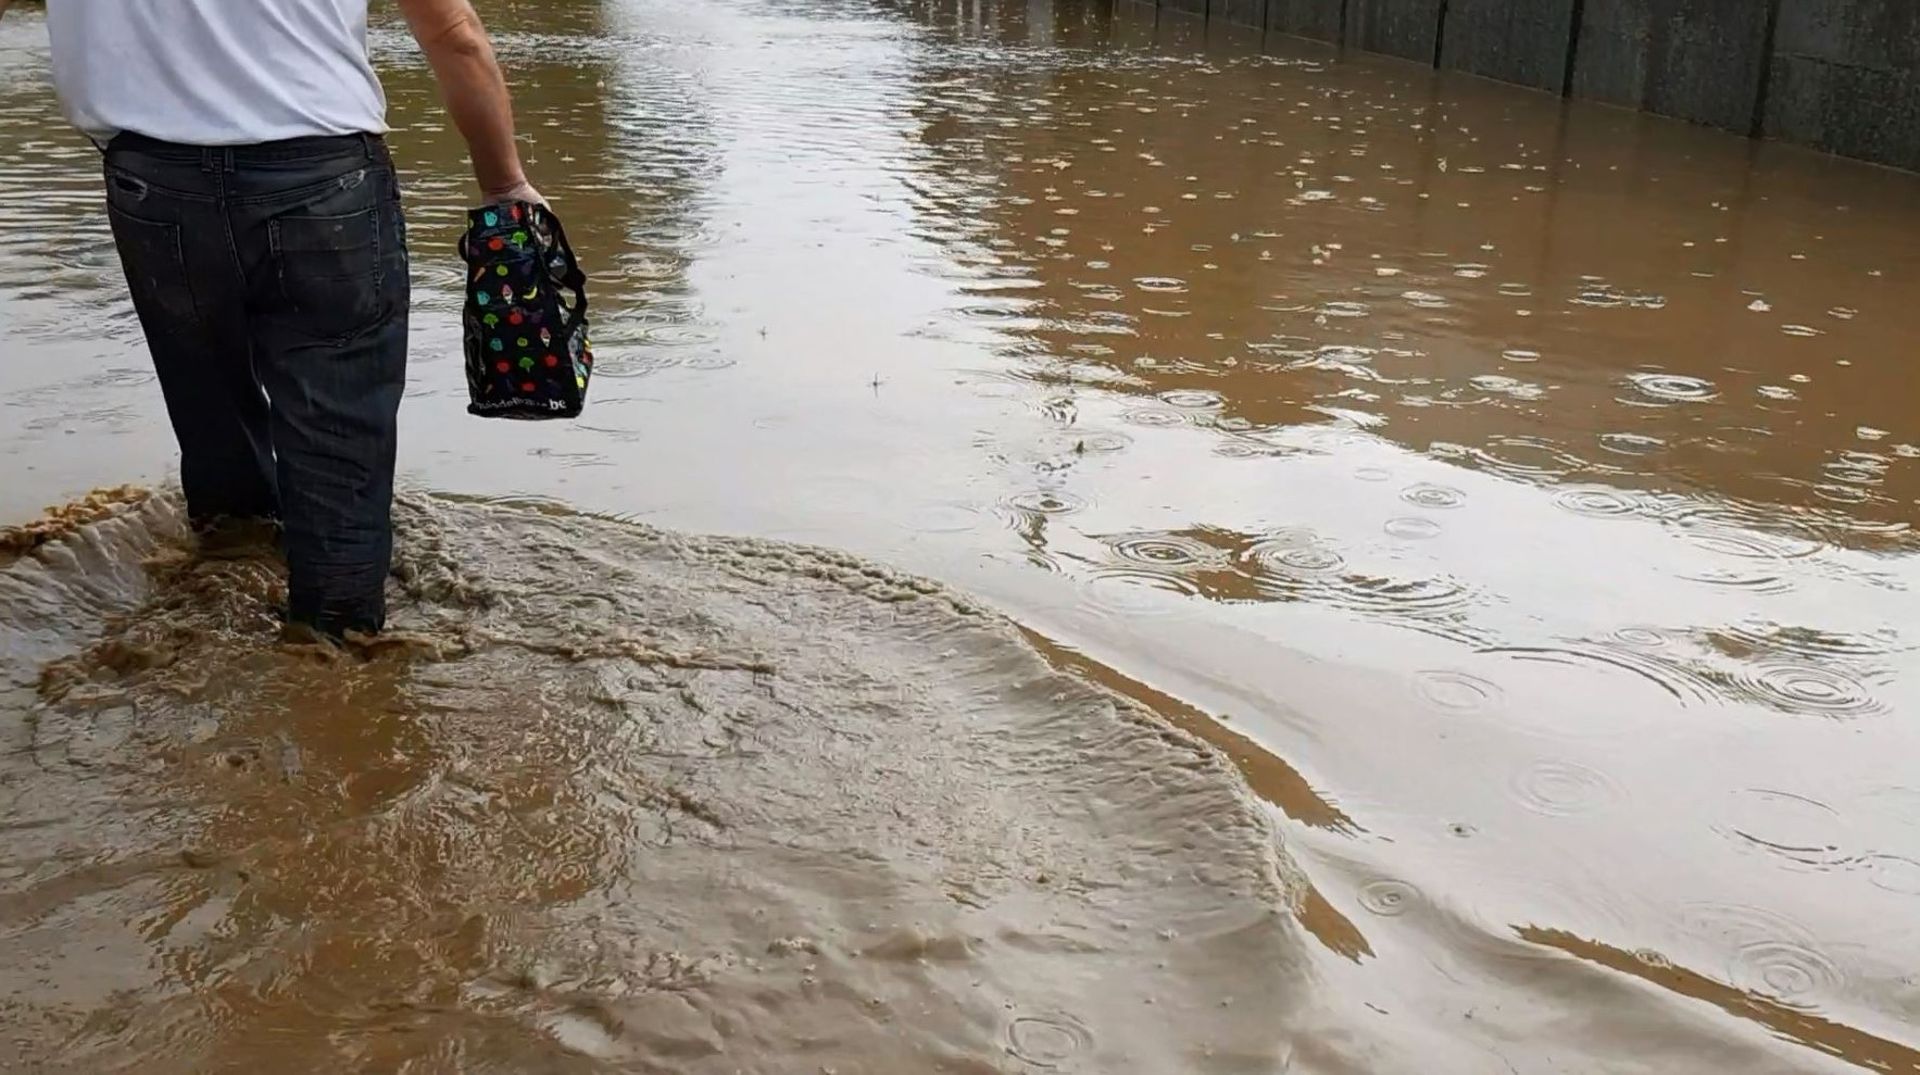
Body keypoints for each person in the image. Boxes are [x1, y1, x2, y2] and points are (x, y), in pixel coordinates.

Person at [0, 0, 541, 638]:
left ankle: (221, 596)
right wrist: (504, 185)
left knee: (209, 405)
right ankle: (333, 653)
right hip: (324, 186)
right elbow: (454, 35)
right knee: (339, 432)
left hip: (153, 185)